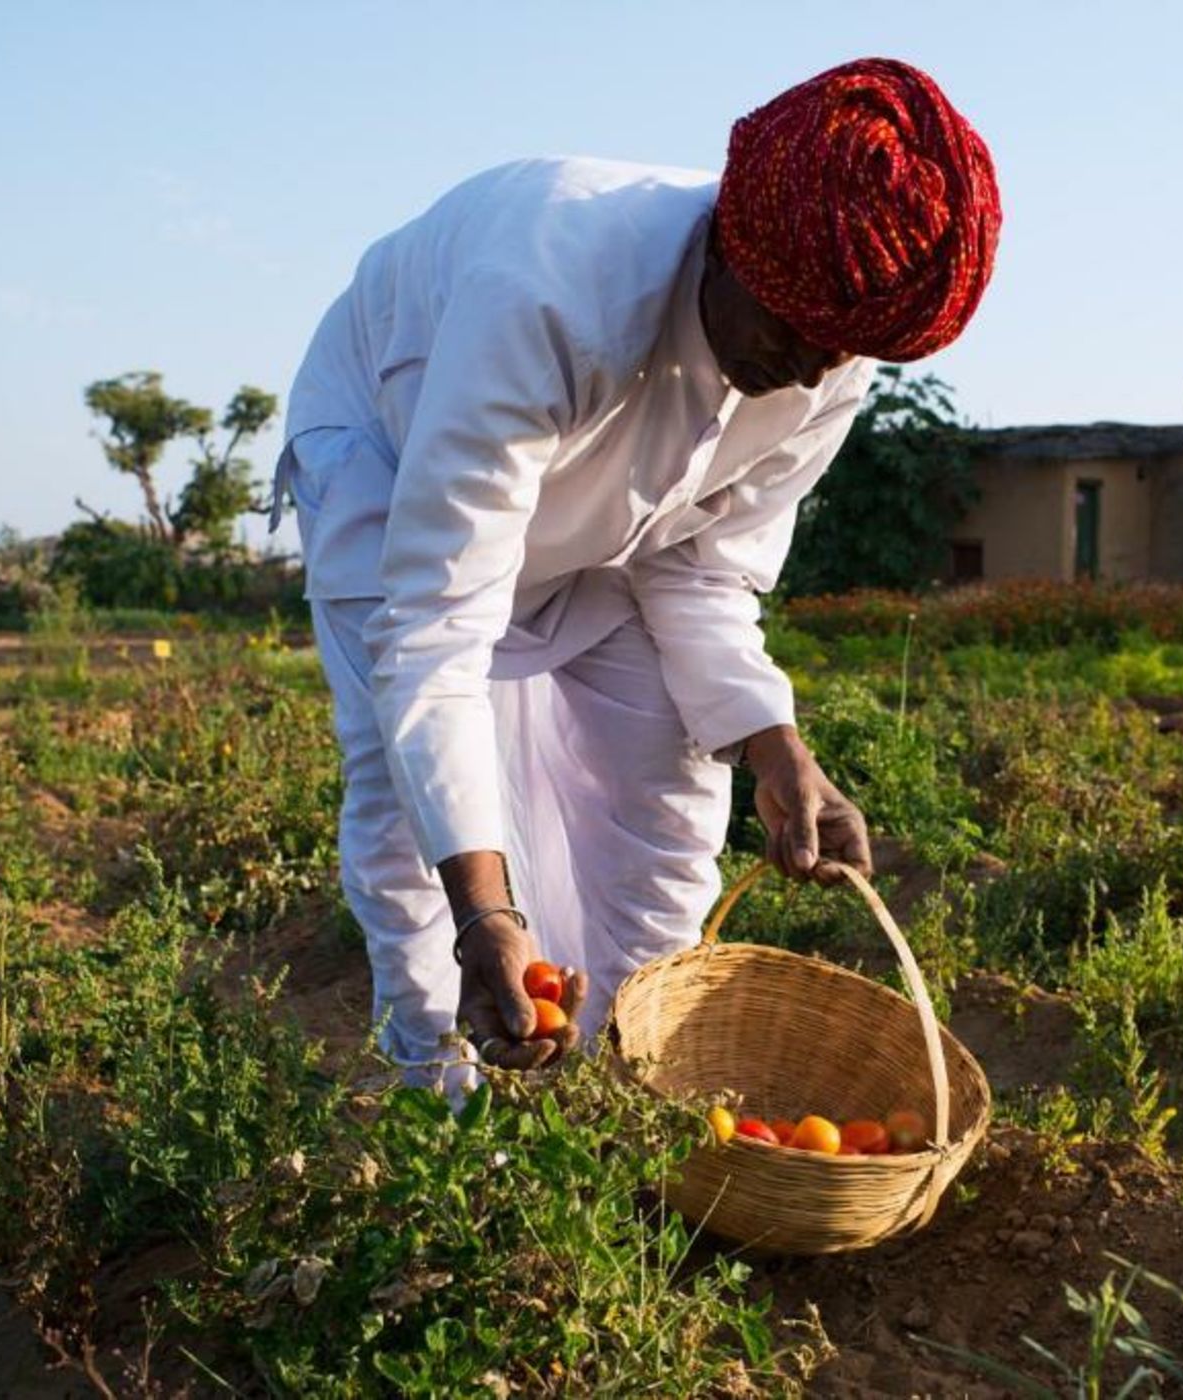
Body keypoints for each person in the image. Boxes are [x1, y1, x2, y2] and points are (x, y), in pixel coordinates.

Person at [274, 57, 999, 1092]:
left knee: (672, 785)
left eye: (833, 355)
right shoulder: (545, 295)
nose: (800, 371)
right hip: (389, 467)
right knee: (406, 826)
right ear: (728, 242)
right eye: (787, 330)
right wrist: (486, 910)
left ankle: (629, 1084)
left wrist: (770, 740)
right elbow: (435, 632)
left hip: (610, 528)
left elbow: (703, 572)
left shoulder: (831, 351)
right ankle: (438, 1106)